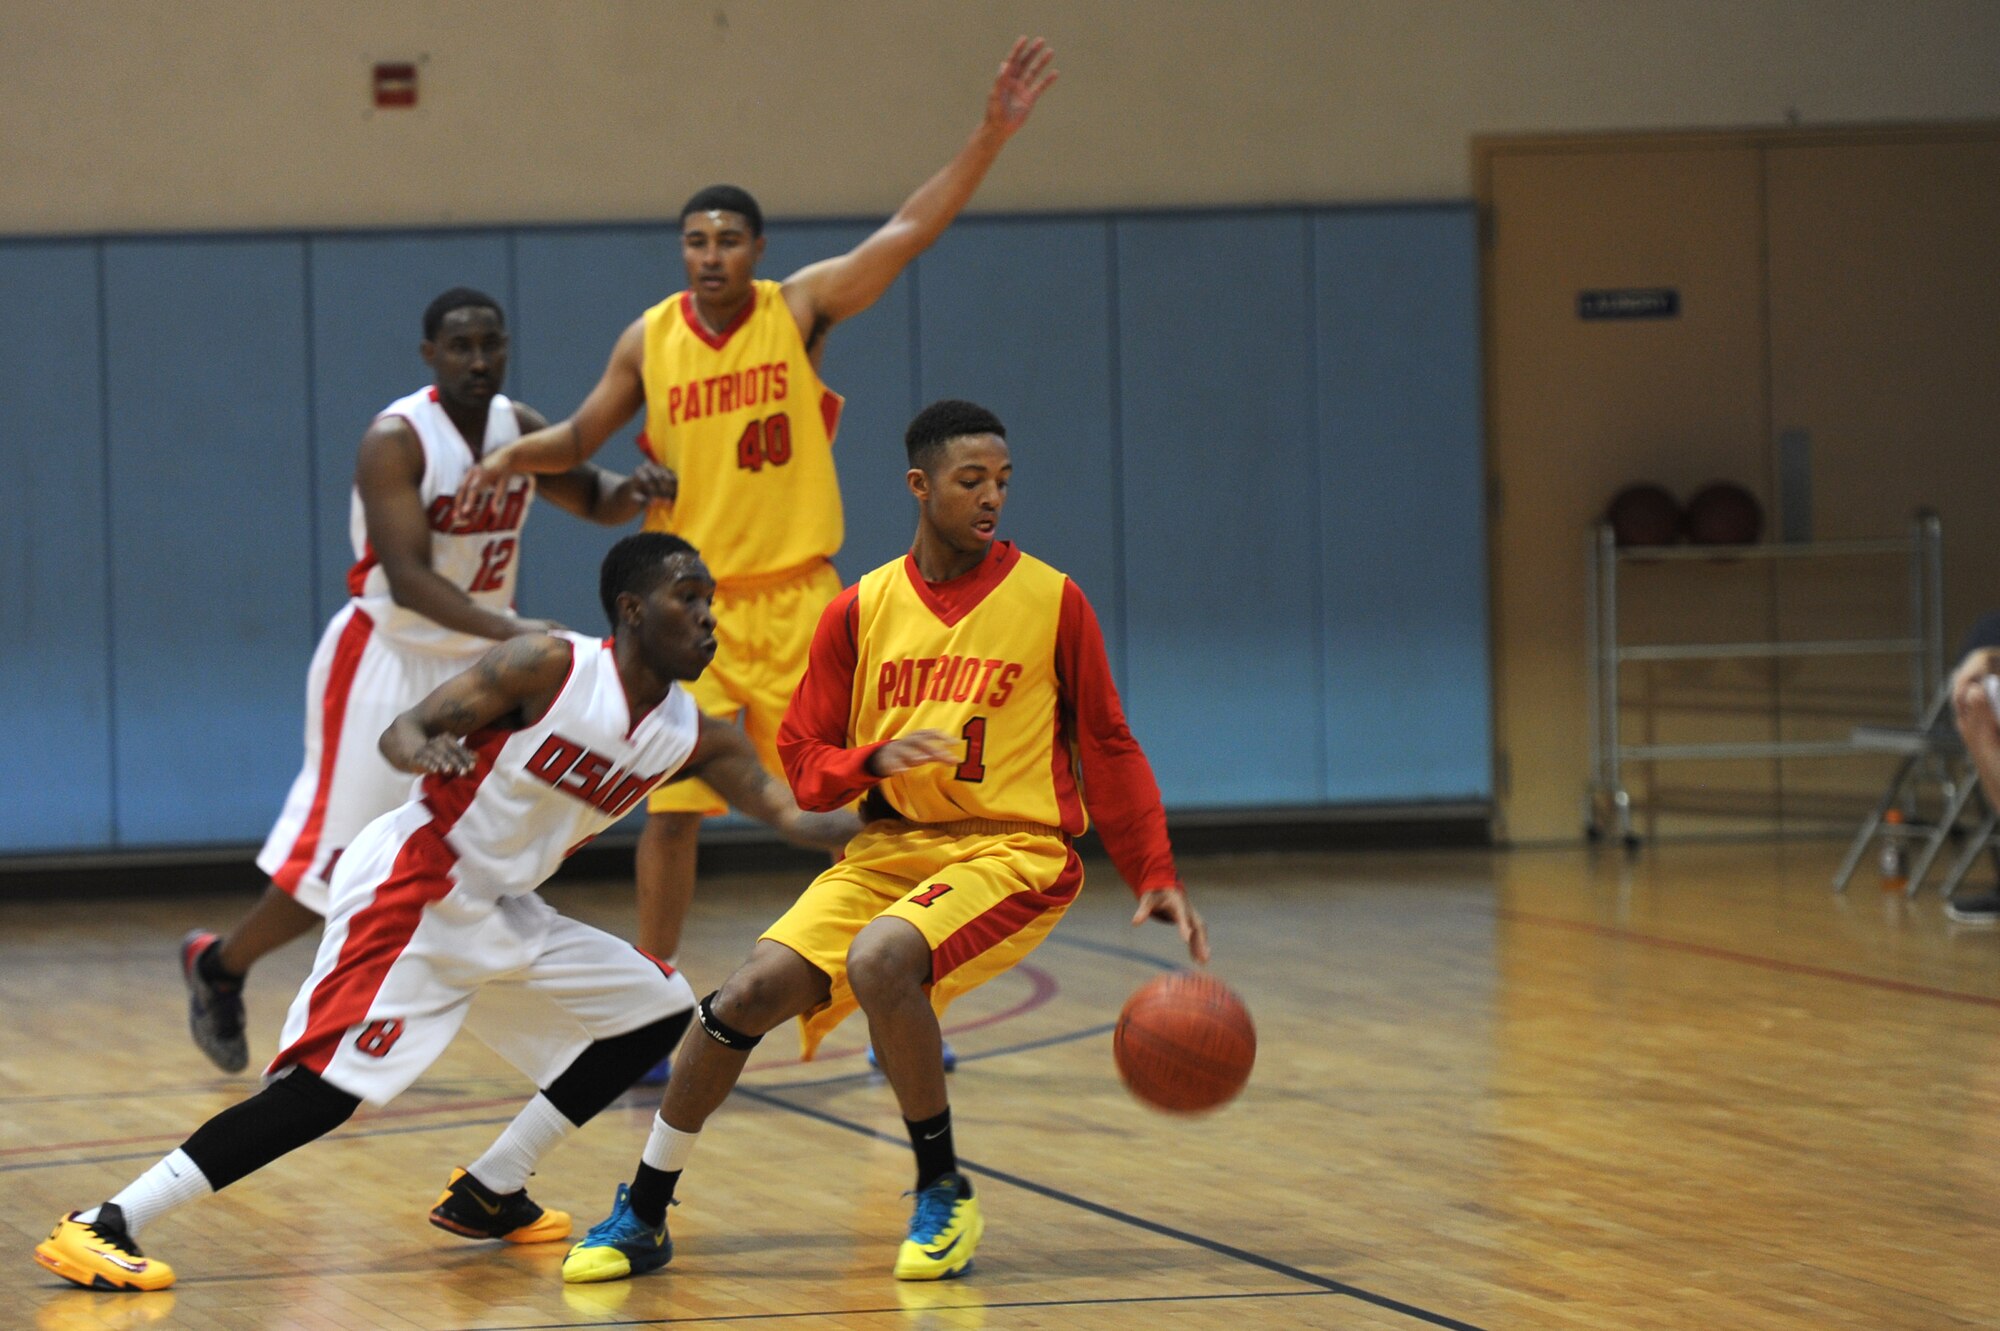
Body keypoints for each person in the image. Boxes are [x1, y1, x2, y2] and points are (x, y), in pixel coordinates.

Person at [36, 534, 863, 1293]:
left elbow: (792, 816)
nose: (709, 617)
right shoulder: (547, 666)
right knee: (323, 1092)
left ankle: (492, 1188)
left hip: (503, 908)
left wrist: (891, 799)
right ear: (633, 610)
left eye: (711, 601)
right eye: (691, 598)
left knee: (656, 1009)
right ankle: (105, 1221)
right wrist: (421, 747)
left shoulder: (697, 736)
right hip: (416, 887)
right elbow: (407, 727)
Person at [453, 42, 1061, 1050]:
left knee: (876, 806)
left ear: (757, 247)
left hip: (800, 597)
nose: (709, 253)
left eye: (728, 237)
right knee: (674, 814)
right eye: (694, 238)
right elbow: (574, 441)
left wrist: (988, 134)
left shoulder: (800, 307)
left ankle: (893, 992)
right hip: (691, 612)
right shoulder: (649, 338)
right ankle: (649, 1010)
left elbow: (908, 232)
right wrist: (505, 456)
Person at [559, 400, 1210, 1288]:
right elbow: (803, 762)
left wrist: (1156, 871)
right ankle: (643, 1208)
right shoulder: (860, 609)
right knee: (739, 998)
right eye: (971, 481)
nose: (991, 499)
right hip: (886, 847)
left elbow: (1109, 743)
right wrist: (870, 759)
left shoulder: (1054, 600)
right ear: (920, 485)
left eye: (1003, 483)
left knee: (882, 960)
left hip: (1010, 848)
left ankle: (944, 1189)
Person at [180, 287, 676, 1075]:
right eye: (461, 346)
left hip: (481, 661)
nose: (479, 360)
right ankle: (222, 967)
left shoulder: (519, 426)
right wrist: (511, 629)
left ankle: (423, 1023)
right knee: (336, 866)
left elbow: (592, 494)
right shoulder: (396, 439)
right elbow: (408, 578)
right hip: (389, 654)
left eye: (491, 344)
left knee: (466, 852)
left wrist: (636, 492)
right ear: (430, 356)